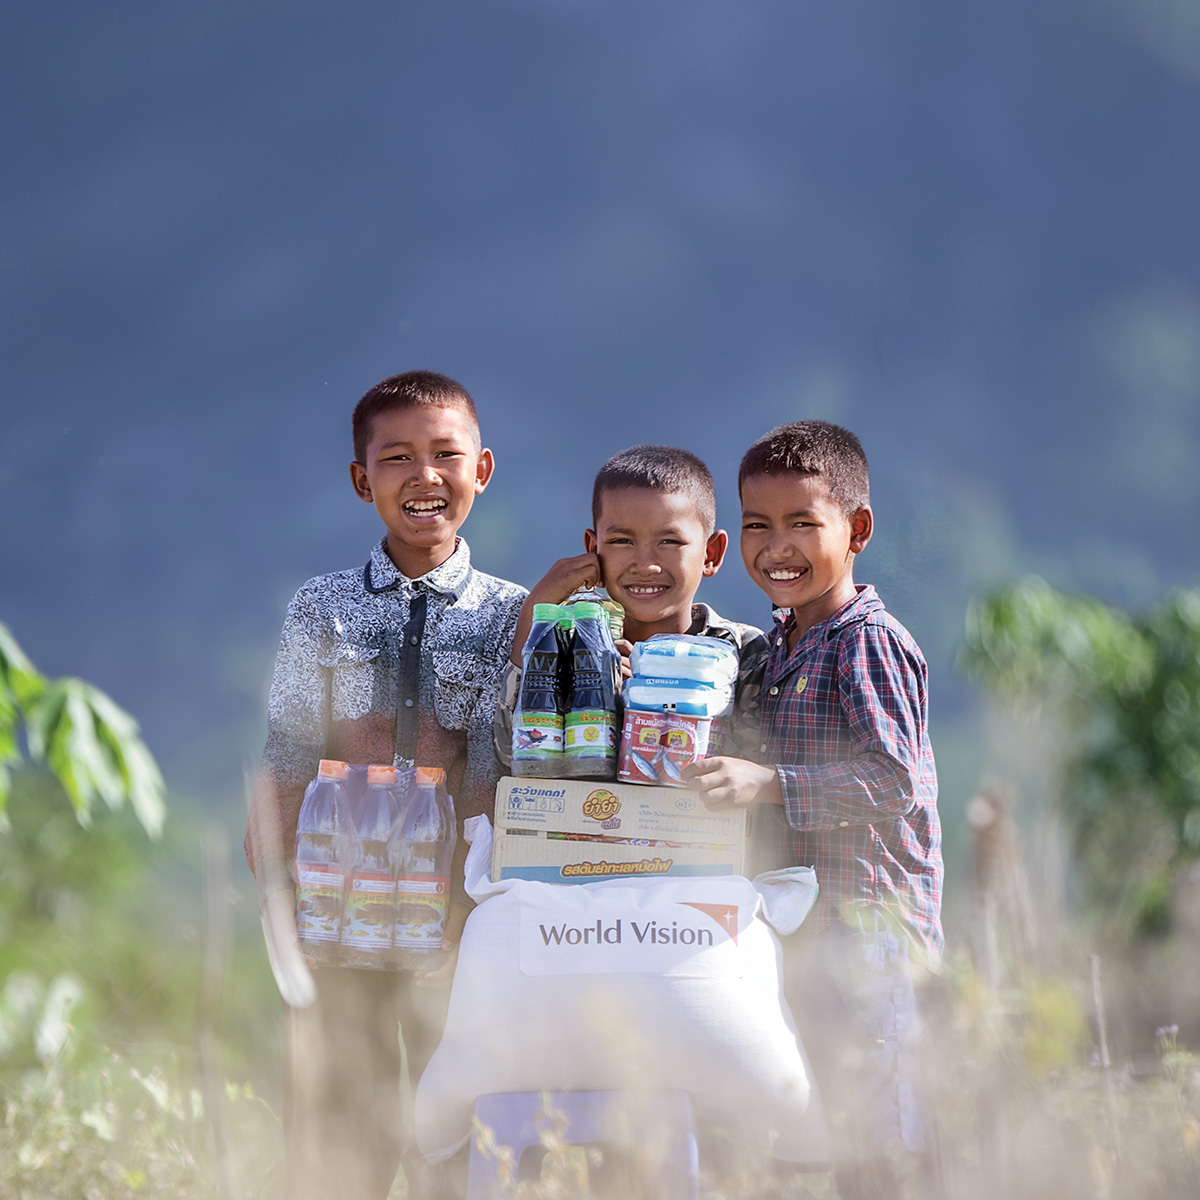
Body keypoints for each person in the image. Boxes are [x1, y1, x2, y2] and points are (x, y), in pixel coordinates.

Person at [244, 370, 526, 1200]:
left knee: (458, 1107)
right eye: (397, 458)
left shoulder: (509, 612)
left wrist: (482, 899)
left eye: (445, 455)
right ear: (363, 481)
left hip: (457, 909)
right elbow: (288, 748)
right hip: (337, 905)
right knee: (340, 1111)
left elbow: (501, 766)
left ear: (482, 470)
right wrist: (278, 883)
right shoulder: (322, 606)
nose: (424, 476)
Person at [683, 420, 944, 1199]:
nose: (777, 547)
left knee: (880, 1144)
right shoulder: (787, 644)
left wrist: (768, 783)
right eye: (758, 525)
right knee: (819, 1137)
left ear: (856, 529)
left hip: (869, 938)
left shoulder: (866, 642)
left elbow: (893, 780)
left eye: (803, 523)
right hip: (808, 933)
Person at [494, 444, 769, 767]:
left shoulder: (741, 651)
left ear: (711, 554)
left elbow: (753, 768)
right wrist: (538, 608)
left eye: (669, 542)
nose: (645, 564)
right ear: (593, 548)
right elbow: (511, 753)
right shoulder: (569, 645)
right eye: (622, 541)